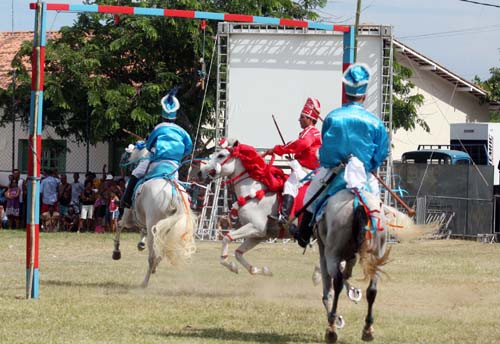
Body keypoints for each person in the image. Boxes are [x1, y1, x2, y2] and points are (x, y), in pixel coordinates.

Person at [289, 63, 389, 248]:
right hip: (364, 174)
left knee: (310, 194)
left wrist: (330, 162)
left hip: (334, 171)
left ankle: (304, 235)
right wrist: (371, 166)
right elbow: (382, 151)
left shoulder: (332, 117)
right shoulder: (375, 122)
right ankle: (379, 238)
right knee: (376, 203)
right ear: (364, 95)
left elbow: (326, 150)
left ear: (346, 92)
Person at [120, 88, 193, 209]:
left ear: (163, 116)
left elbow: (148, 147)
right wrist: (179, 157)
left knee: (135, 173)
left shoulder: (159, 128)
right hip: (174, 164)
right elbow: (189, 148)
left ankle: (126, 200)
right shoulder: (182, 131)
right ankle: (186, 205)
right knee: (176, 184)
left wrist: (150, 143)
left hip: (156, 161)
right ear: (174, 117)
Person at [263, 97, 322, 224]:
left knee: (289, 184)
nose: (299, 119)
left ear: (309, 118)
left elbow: (301, 144)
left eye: (302, 117)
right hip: (311, 168)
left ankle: (284, 216)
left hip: (308, 170)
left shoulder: (309, 133)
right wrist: (292, 155)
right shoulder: (313, 132)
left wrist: (278, 149)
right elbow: (301, 148)